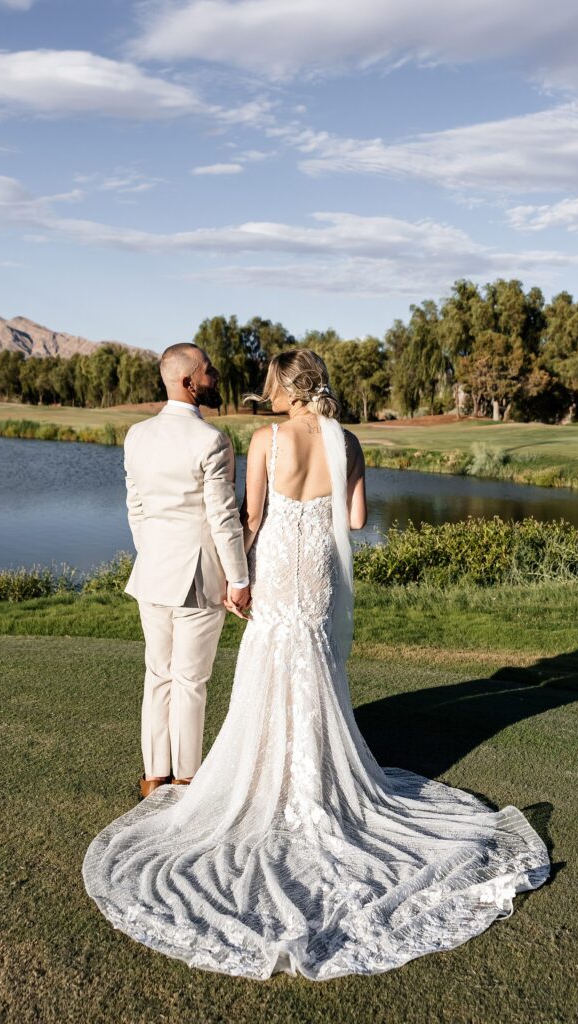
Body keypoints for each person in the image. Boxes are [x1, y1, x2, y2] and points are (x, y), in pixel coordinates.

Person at [83, 349, 550, 981]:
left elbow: (250, 516)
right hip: (318, 573)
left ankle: (251, 777)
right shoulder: (348, 439)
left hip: (275, 563)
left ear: (287, 387)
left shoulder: (265, 439)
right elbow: (354, 519)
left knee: (267, 665)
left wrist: (239, 574)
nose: (266, 392)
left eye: (272, 383)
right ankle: (318, 778)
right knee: (315, 664)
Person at [121, 343, 250, 797]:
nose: (215, 376)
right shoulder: (212, 440)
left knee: (158, 674)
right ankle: (187, 778)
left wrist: (154, 552)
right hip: (197, 576)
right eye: (209, 371)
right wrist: (240, 580)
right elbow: (223, 519)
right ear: (188, 382)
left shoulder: (136, 435)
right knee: (191, 681)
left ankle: (154, 777)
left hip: (153, 570)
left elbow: (135, 507)